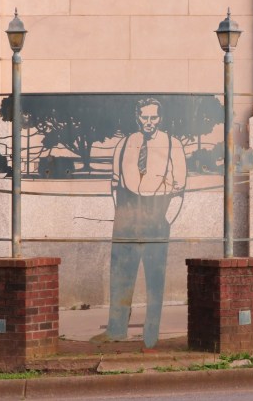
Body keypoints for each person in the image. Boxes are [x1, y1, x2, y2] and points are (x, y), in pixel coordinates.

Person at [91, 98, 186, 348]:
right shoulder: (125, 144)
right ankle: (116, 329)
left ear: (160, 118)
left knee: (155, 279)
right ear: (137, 117)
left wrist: (166, 219)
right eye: (144, 117)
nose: (149, 122)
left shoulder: (172, 145)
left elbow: (180, 187)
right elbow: (114, 181)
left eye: (153, 117)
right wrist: (121, 212)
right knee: (121, 275)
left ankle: (151, 335)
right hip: (126, 214)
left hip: (158, 213)